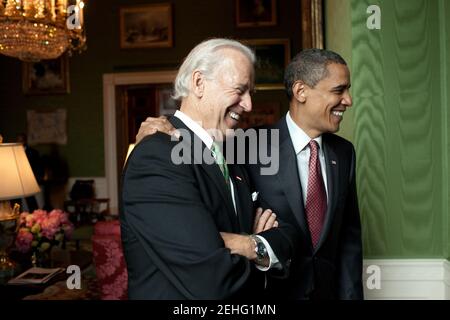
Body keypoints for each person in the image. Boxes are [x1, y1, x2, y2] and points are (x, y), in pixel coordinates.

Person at [136, 48, 364, 300]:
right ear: (301, 92)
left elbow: (348, 240)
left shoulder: (344, 153)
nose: (348, 100)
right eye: (338, 90)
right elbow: (195, 150)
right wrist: (159, 131)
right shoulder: (245, 144)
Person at [121, 38, 296, 300]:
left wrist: (241, 244)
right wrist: (255, 244)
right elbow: (212, 282)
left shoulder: (235, 154)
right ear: (199, 83)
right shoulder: (156, 157)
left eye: (251, 93)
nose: (248, 105)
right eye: (239, 90)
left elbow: (287, 234)